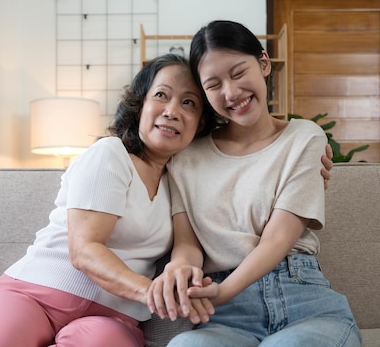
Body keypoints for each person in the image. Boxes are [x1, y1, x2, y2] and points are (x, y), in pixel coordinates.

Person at [0, 54, 216, 347]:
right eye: (161, 95)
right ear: (140, 105)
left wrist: (180, 275)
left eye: (188, 102)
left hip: (113, 319)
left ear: (200, 122)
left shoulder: (181, 180)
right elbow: (85, 249)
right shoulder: (109, 153)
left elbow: (187, 244)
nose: (171, 111)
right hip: (36, 293)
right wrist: (153, 292)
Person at [147, 20, 361, 347]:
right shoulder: (186, 157)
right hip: (227, 317)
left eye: (237, 73)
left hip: (303, 302)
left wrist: (224, 290)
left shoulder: (304, 138)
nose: (231, 93)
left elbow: (277, 240)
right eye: (213, 84)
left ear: (263, 63)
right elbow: (188, 244)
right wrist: (179, 269)